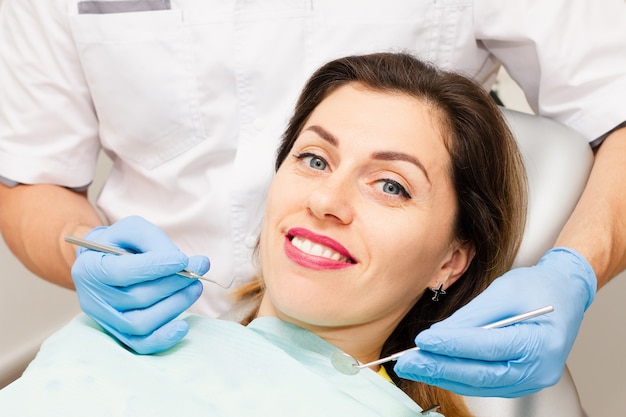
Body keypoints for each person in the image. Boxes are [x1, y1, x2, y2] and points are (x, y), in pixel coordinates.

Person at [0, 0, 624, 398]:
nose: (325, 200)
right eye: (313, 158)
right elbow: (33, 179)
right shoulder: (86, 358)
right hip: (150, 328)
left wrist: (574, 272)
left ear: (452, 260)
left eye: (391, 184)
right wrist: (83, 252)